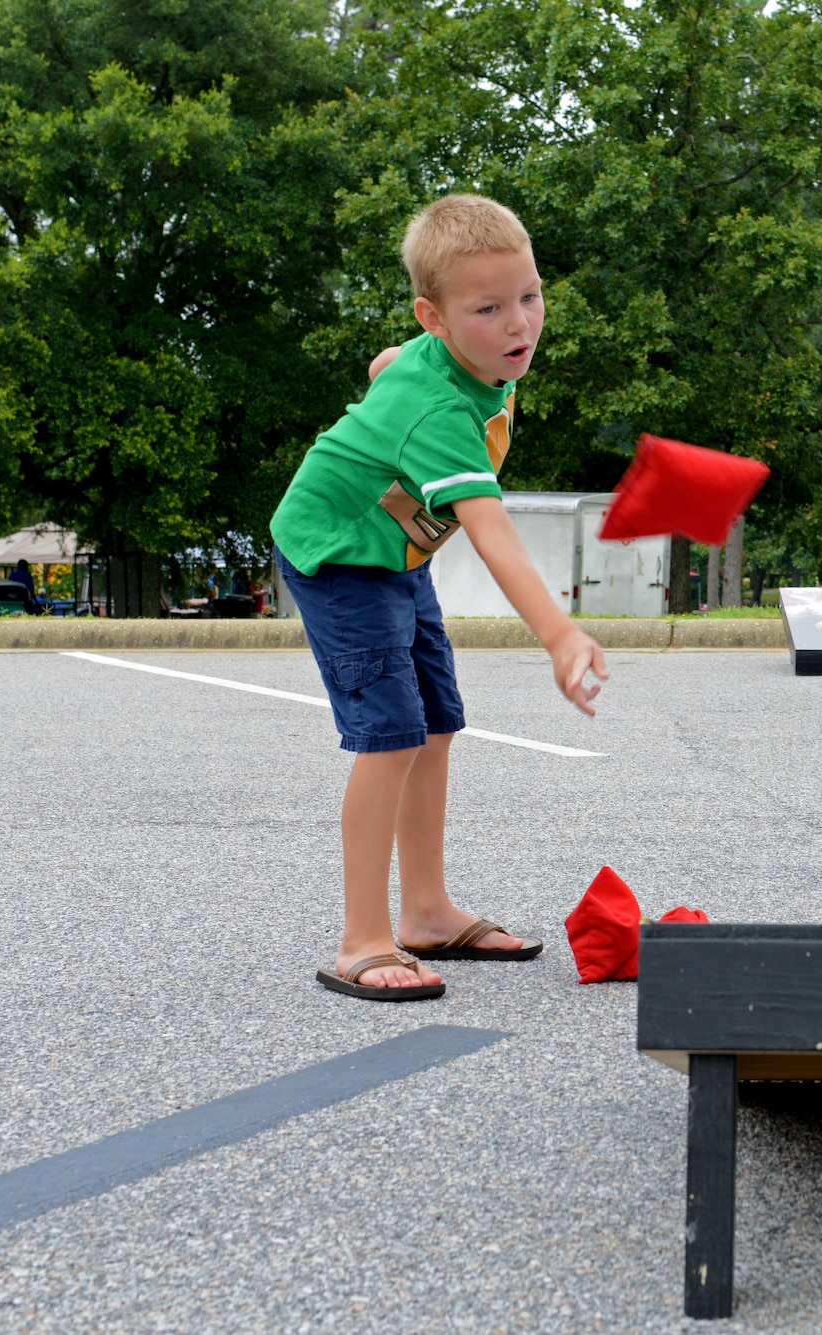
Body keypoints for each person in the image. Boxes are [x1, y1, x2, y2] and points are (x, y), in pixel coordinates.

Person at [270, 193, 607, 1001]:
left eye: (528, 296)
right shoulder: (443, 412)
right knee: (388, 734)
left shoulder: (479, 359)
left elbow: (391, 360)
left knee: (435, 724)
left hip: (399, 556)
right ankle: (362, 938)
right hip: (340, 558)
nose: (519, 323)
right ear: (438, 316)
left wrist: (387, 376)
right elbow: (491, 531)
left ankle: (424, 911)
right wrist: (560, 635)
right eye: (488, 309)